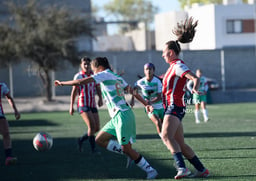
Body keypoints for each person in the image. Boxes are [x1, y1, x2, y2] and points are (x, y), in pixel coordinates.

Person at [54, 57, 158, 179]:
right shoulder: (116, 76)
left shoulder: (104, 74)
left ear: (99, 67)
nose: (94, 73)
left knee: (126, 148)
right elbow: (133, 92)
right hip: (116, 117)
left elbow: (81, 82)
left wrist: (62, 83)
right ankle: (129, 153)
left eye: (94, 70)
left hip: (122, 115)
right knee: (99, 140)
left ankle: (150, 170)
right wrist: (147, 104)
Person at [159, 17, 210, 179]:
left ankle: (182, 168)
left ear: (171, 53)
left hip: (176, 106)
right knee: (178, 142)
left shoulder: (178, 65)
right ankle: (201, 170)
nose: (162, 55)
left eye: (164, 52)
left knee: (165, 135)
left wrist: (195, 89)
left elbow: (195, 78)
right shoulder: (172, 67)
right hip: (172, 106)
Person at [70, 57, 103, 153]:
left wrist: (100, 99)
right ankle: (94, 149)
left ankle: (81, 140)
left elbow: (98, 88)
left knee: (97, 128)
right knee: (92, 127)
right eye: (84, 64)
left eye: (88, 64)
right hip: (83, 105)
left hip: (92, 104)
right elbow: (74, 92)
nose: (86, 66)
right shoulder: (78, 76)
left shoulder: (94, 75)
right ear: (81, 65)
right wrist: (71, 106)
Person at [130, 63, 164, 136]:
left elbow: (159, 97)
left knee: (164, 125)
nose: (148, 71)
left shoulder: (157, 81)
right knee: (157, 122)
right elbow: (134, 89)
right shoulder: (141, 82)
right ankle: (164, 139)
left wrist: (150, 101)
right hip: (150, 108)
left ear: (153, 71)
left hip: (161, 107)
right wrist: (132, 100)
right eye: (146, 69)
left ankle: (165, 137)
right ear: (144, 71)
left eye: (150, 69)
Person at [0, 82, 20, 165]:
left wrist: (15, 110)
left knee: (6, 133)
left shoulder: (1, 86)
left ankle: (9, 157)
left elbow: (9, 98)